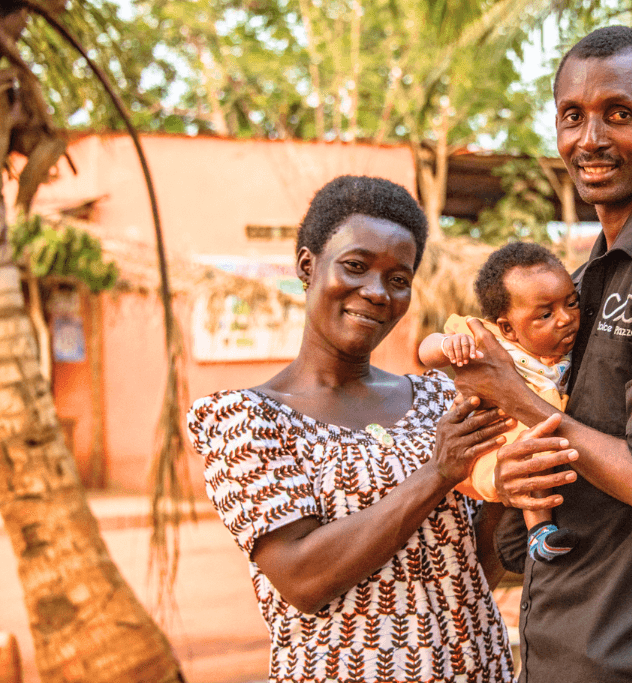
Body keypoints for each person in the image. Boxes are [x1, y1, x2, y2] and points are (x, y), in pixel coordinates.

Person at [452, 26, 632, 683]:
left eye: (619, 114)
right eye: (572, 116)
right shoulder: (582, 284)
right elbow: (555, 443)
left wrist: (516, 396)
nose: (590, 138)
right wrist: (498, 462)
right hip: (566, 646)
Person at [187, 175, 523, 683]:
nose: (376, 292)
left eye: (398, 278)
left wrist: (507, 488)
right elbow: (303, 578)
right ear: (307, 266)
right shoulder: (247, 421)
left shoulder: (440, 398)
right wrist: (437, 473)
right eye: (356, 266)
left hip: (475, 668)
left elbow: (472, 567)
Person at [418, 241, 581, 563]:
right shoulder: (489, 339)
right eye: (545, 314)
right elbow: (427, 350)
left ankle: (539, 533)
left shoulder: (573, 347)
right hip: (497, 446)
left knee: (537, 459)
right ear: (508, 328)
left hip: (543, 437)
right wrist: (450, 345)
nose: (565, 318)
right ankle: (540, 532)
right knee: (528, 466)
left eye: (572, 303)